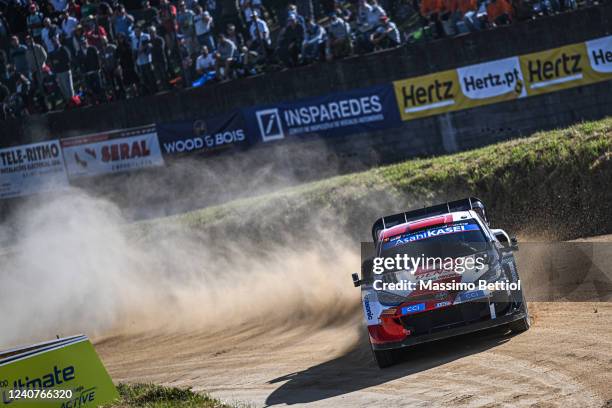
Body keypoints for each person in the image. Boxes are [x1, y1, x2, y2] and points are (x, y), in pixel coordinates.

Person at [132, 25, 157, 94]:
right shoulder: (134, 39)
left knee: (150, 76)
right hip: (140, 61)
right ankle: (148, 92)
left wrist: (142, 49)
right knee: (144, 78)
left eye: (137, 31)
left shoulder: (146, 36)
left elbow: (149, 46)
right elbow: (134, 49)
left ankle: (154, 90)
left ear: (140, 30)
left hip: (147, 60)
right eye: (135, 31)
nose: (136, 32)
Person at [48, 36, 73, 101]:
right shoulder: (53, 52)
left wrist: (58, 61)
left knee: (68, 88)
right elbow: (52, 62)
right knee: (62, 88)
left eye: (55, 41)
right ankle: (68, 102)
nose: (54, 43)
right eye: (53, 42)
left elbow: (68, 58)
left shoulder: (63, 48)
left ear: (58, 40)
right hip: (58, 72)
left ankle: (73, 101)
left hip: (65, 70)